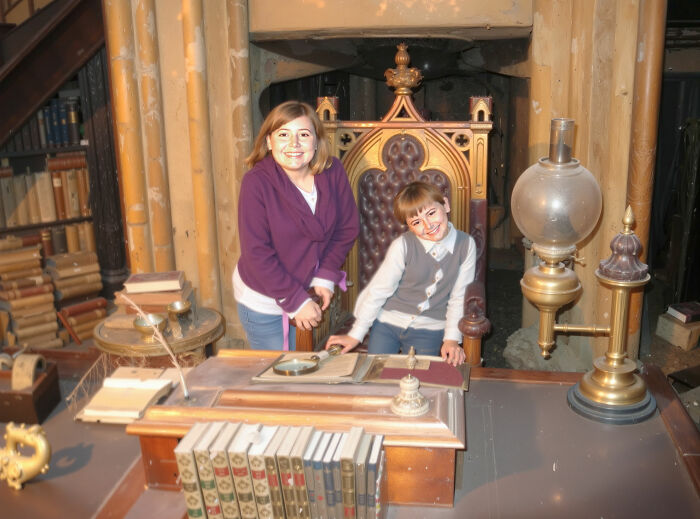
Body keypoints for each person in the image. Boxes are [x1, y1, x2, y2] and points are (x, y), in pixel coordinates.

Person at [234, 100, 359, 350]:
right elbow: (257, 253)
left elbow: (347, 227)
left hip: (309, 288)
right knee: (276, 377)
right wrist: (294, 300)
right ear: (269, 142)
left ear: (316, 141)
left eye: (303, 134)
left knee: (302, 367)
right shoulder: (256, 183)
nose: (294, 144)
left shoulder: (332, 171)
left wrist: (325, 274)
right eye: (283, 135)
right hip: (265, 298)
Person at [326, 181, 475, 366]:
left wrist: (452, 338)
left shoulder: (466, 245)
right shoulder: (402, 245)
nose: (428, 225)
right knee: (375, 374)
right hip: (387, 323)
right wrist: (356, 334)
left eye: (431, 213)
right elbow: (380, 290)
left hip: (430, 328)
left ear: (445, 204)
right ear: (409, 226)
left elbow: (459, 296)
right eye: (416, 222)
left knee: (417, 380)